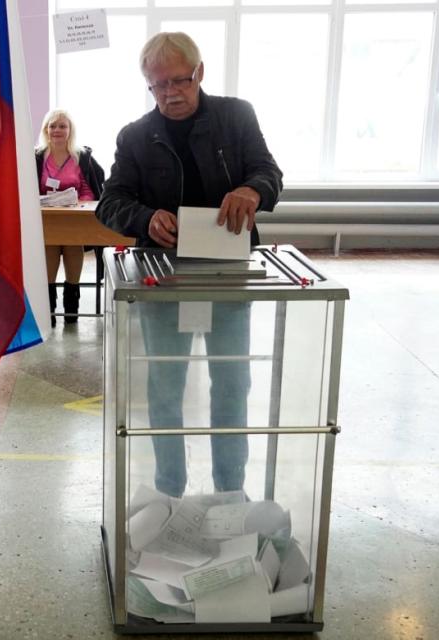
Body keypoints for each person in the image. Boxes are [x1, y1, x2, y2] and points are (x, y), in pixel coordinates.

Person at [96, 32, 283, 497]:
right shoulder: (135, 136)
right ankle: (168, 493)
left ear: (199, 73)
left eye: (179, 81)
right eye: (157, 85)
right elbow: (111, 201)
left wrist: (252, 191)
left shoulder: (236, 116)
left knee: (231, 385)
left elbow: (270, 173)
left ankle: (229, 492)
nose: (170, 93)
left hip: (229, 276)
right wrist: (144, 217)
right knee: (164, 386)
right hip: (162, 279)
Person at [35, 109, 104, 327]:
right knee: (50, 250)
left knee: (72, 247)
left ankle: (71, 308)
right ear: (46, 130)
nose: (57, 130)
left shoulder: (81, 156)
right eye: (52, 126)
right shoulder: (36, 157)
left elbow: (88, 189)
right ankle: (49, 310)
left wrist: (78, 202)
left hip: (73, 215)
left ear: (70, 130)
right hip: (46, 217)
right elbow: (30, 188)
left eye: (62, 126)